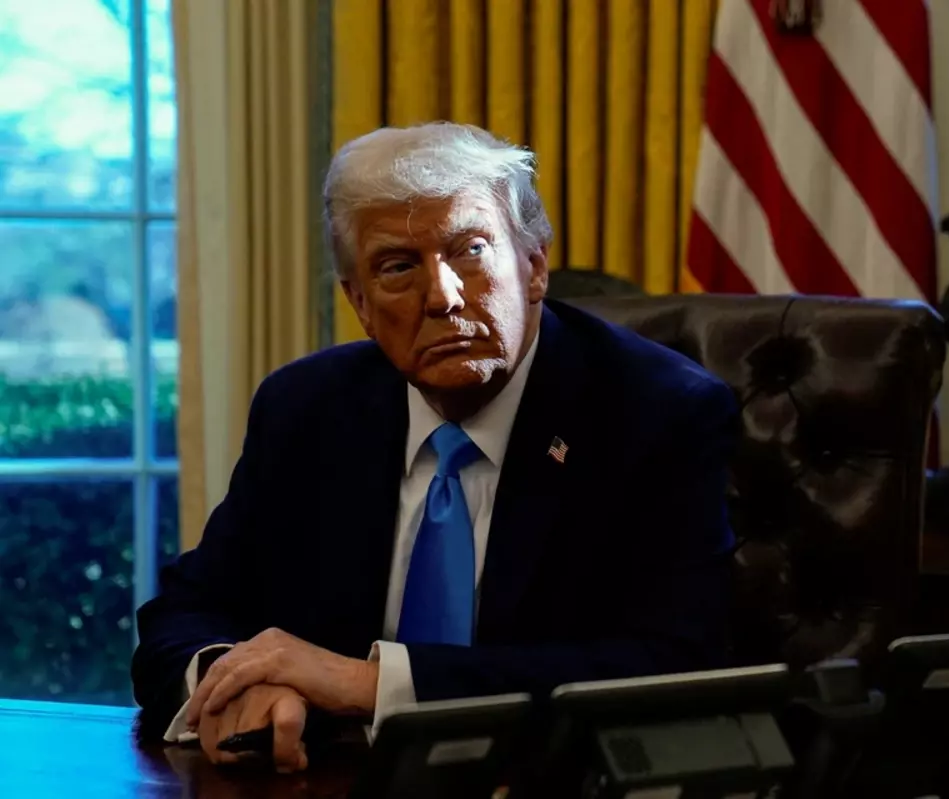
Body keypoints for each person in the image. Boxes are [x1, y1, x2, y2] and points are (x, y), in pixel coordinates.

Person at [131, 123, 739, 772]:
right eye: (398, 267)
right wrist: (237, 681)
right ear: (360, 303)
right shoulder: (307, 409)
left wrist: (368, 684)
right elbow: (186, 609)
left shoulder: (656, 413)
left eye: (471, 251)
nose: (443, 297)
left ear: (534, 267)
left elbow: (678, 662)